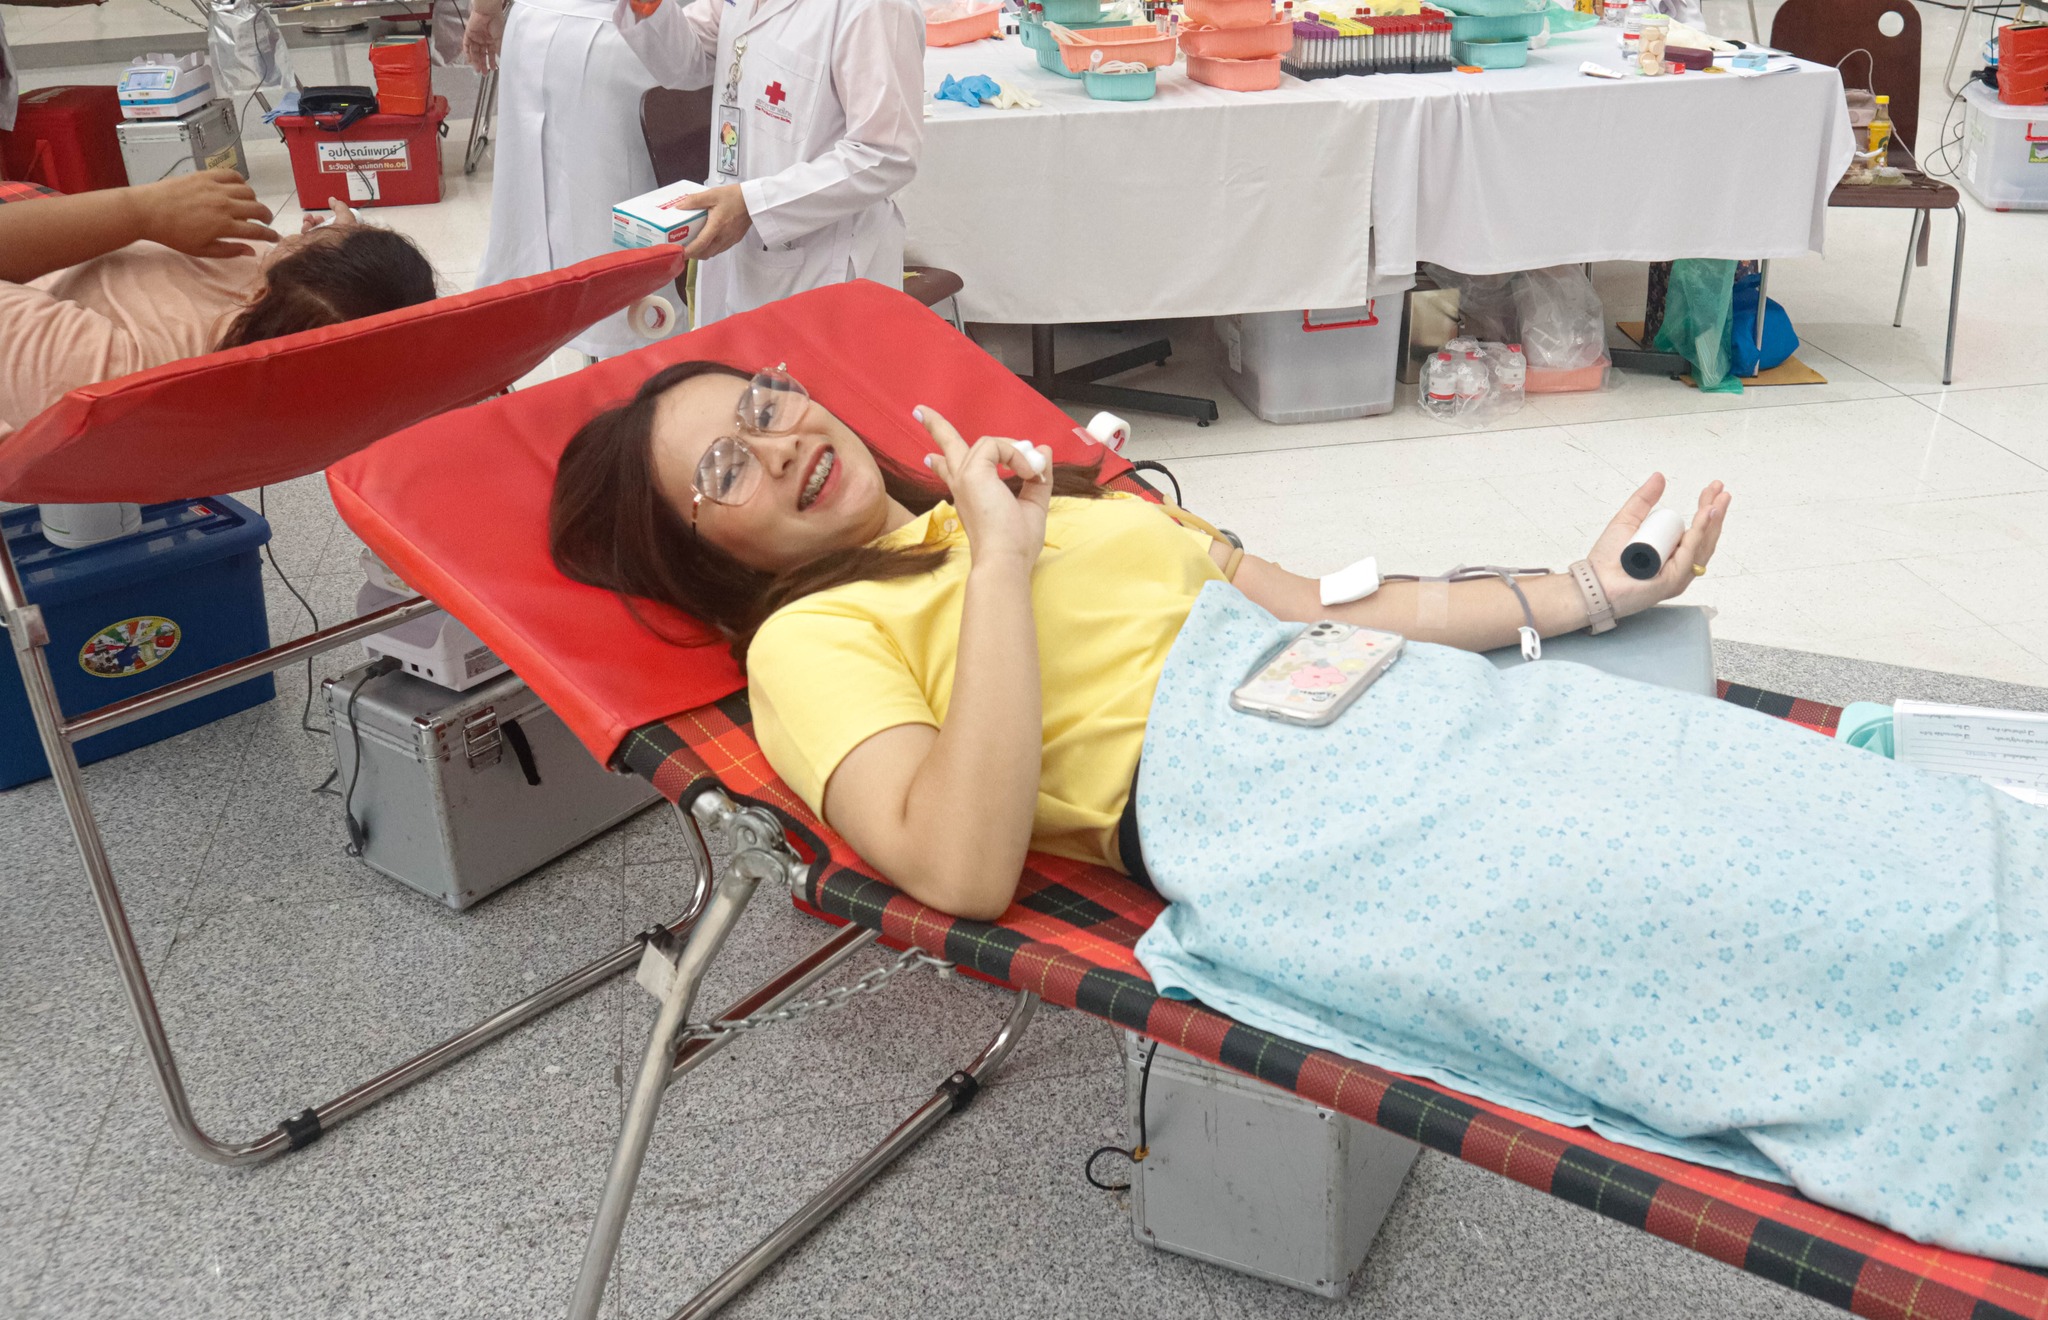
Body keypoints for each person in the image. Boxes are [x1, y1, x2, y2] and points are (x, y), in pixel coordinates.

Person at [547, 363, 2048, 1268]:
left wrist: (1584, 593)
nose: (777, 442)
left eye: (762, 404)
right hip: (1291, 818)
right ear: (706, 554)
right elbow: (959, 863)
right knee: (1746, 921)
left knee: (1802, 806)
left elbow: (1323, 607)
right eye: (724, 469)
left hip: (1424, 711)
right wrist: (994, 565)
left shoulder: (1045, 497)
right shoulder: (809, 641)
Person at [0, 170, 437, 434]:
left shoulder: (112, 372)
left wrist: (139, 211)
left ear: (262, 295)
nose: (294, 237)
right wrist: (339, 245)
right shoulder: (291, 320)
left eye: (304, 244)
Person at [610, 0, 924, 326]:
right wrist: (650, 7)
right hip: (736, 250)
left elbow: (886, 153)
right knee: (725, 350)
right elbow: (686, 64)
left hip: (822, 268)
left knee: (806, 356)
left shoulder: (874, 9)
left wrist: (756, 205)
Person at [465, 0, 659, 359]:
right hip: (629, 32)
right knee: (617, 207)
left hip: (534, 26)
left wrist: (484, 10)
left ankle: (595, 346)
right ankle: (626, 348)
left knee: (541, 200)